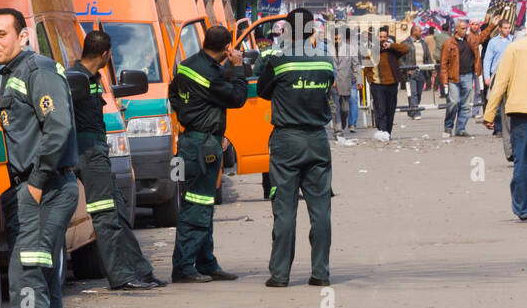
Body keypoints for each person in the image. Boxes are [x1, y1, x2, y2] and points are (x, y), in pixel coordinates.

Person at [0, 7, 79, 308]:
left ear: (23, 36)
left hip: (44, 189)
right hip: (30, 191)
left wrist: (37, 184)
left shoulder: (37, 70)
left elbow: (57, 127)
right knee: (39, 283)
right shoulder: (8, 74)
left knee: (27, 280)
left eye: (2, 34)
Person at [70, 29, 165, 291]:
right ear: (105, 54)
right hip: (88, 153)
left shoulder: (90, 77)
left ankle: (141, 271)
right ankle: (122, 276)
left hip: (96, 151)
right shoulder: (75, 78)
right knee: (105, 215)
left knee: (119, 213)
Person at [255, 23, 336, 287]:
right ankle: (321, 273)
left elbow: (262, 91)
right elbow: (328, 89)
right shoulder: (326, 61)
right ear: (312, 32)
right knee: (321, 209)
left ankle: (279, 275)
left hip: (287, 141)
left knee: (285, 209)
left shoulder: (279, 60)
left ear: (288, 32)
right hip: (317, 139)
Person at [166, 24, 248, 282]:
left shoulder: (187, 65)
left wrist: (191, 114)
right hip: (202, 146)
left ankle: (206, 263)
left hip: (190, 141)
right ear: (226, 48)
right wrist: (239, 68)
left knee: (202, 203)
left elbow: (173, 95)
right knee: (197, 207)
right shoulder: (212, 76)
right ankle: (184, 267)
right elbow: (237, 98)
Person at [482, 35, 527, 220]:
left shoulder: (514, 48)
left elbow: (500, 83)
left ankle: (522, 208)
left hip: (519, 111)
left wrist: (489, 113)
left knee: (521, 160)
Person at [440, 19, 484, 137]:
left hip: (468, 76)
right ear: (457, 29)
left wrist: (492, 24)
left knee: (465, 105)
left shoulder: (470, 40)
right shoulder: (448, 43)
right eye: (463, 29)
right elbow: (443, 63)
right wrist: (444, 80)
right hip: (453, 78)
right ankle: (448, 127)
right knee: (453, 102)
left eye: (466, 28)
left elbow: (482, 37)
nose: (465, 31)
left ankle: (460, 129)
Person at [364, 26, 404, 140]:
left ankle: (388, 132)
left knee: (390, 110)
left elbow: (405, 49)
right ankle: (382, 131)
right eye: (380, 37)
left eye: (385, 37)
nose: (382, 39)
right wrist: (370, 80)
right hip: (378, 85)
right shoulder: (371, 50)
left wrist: (391, 45)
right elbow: (367, 67)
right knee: (380, 109)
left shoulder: (392, 49)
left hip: (392, 84)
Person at [482, 18, 513, 137]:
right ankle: (498, 129)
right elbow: (487, 60)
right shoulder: (493, 42)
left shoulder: (513, 41)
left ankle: (508, 129)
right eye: (505, 28)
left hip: (510, 75)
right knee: (496, 101)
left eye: (508, 28)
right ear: (499, 29)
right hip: (497, 74)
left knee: (508, 103)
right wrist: (487, 77)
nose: (507, 30)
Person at [331, 25, 361, 137]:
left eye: (338, 38)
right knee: (335, 108)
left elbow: (356, 65)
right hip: (333, 84)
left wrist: (359, 81)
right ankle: (338, 130)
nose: (337, 41)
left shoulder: (350, 49)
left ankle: (342, 124)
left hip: (346, 83)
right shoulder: (327, 49)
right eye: (335, 39)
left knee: (345, 110)